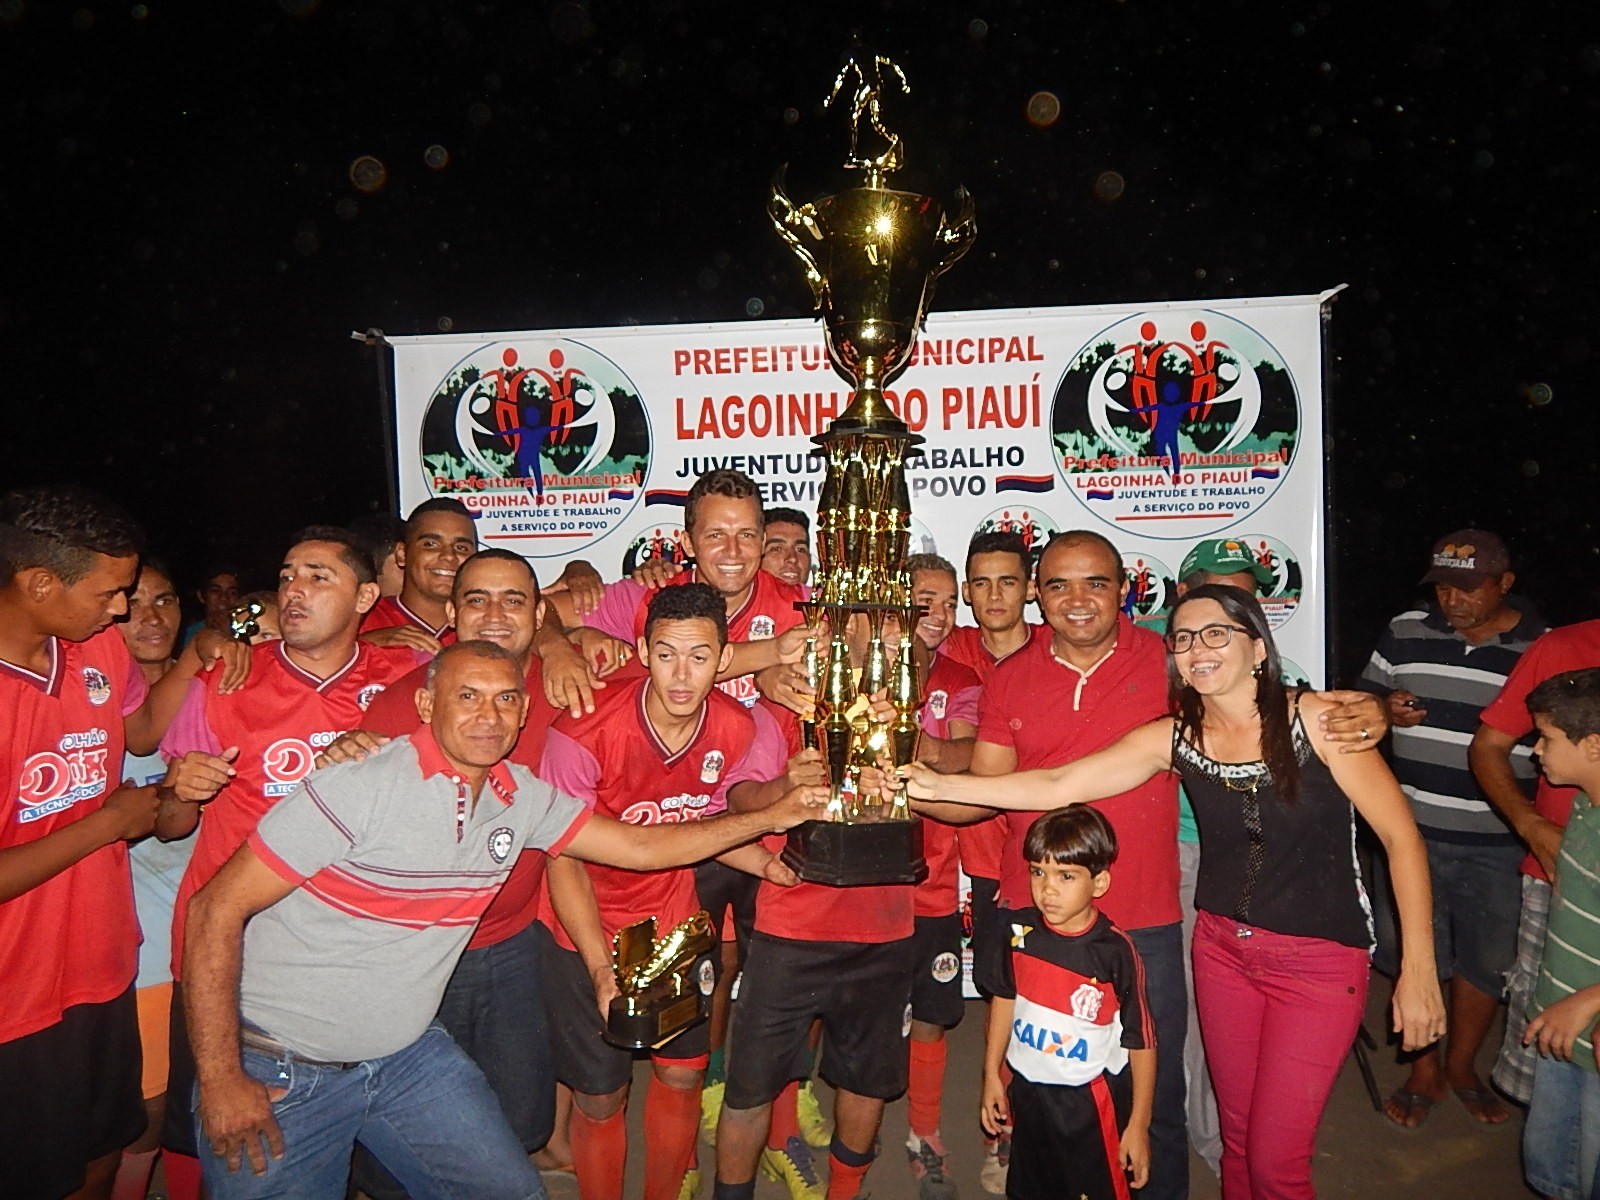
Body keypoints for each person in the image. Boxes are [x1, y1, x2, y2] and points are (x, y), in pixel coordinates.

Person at [181, 640, 827, 1200]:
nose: (488, 716)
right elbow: (214, 909)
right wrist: (221, 1079)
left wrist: (769, 819)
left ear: (523, 712)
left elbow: (639, 847)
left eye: (505, 700)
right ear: (429, 706)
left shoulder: (521, 796)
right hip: (283, 1066)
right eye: (468, 696)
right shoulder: (358, 785)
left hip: (403, 1056)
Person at [907, 583, 1447, 1200]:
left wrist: (1418, 970)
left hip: (1320, 961)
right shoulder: (1176, 735)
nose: (1198, 649)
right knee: (1237, 1141)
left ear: (1259, 649)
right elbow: (1056, 784)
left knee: (1277, 1164)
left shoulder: (1320, 721)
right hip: (1222, 952)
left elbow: (1403, 840)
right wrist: (925, 784)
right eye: (1184, 639)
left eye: (1217, 632)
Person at [154, 525, 420, 1191]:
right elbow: (169, 822)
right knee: (217, 1139)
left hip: (353, 949)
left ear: (366, 597)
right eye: (287, 575)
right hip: (232, 954)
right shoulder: (225, 680)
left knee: (356, 1144)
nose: (294, 589)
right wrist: (180, 791)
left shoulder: (407, 679)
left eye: (318, 577)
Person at [313, 548, 583, 1195]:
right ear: (453, 613)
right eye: (478, 600)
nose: (495, 614)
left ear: (539, 613)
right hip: (418, 953)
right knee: (402, 1137)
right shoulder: (403, 706)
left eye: (514, 600)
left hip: (515, 943)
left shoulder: (571, 686)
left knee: (521, 1116)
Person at [0, 486, 241, 1200]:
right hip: (16, 994)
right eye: (111, 593)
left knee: (103, 1152)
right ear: (39, 582)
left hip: (104, 962)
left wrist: (200, 655)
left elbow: (138, 734)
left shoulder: (93, 646)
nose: (122, 610)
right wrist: (108, 824)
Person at [539, 583, 804, 1200]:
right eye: (666, 655)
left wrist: (768, 868)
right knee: (602, 1097)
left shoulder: (738, 728)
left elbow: (704, 829)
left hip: (673, 924)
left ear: (724, 658)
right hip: (583, 925)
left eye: (700, 657)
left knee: (682, 1078)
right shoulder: (580, 731)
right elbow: (562, 862)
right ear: (641, 650)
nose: (682, 675)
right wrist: (602, 971)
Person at [1358, 529, 1544, 1127]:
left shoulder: (1538, 648)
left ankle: (1462, 1064)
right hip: (1410, 833)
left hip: (1498, 841)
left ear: (1505, 583)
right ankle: (1425, 1067)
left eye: (1467, 588)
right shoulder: (1406, 630)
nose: (1451, 601)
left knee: (1487, 962)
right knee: (1409, 951)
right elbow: (1361, 702)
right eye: (1442, 587)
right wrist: (1383, 711)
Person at [1168, 536, 1277, 1173]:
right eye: (1226, 593)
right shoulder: (1166, 662)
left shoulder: (1263, 663)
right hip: (1187, 851)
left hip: (1264, 856)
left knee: (1258, 1009)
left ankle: (1251, 1132)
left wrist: (1365, 710)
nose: (1243, 605)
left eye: (1248, 593)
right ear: (1185, 596)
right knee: (1201, 1004)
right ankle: (1213, 1140)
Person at [984, 806, 1153, 1200]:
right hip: (1028, 1094)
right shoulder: (1018, 932)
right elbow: (1004, 1001)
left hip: (1089, 1106)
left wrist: (1138, 1125)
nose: (1048, 889)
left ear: (1099, 882)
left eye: (1066, 876)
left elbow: (1141, 1041)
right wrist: (992, 1073)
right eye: (1037, 873)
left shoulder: (1115, 952)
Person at [1471, 615, 1600, 1105]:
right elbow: (1489, 745)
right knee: (1549, 1047)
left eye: (1544, 742)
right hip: (1557, 873)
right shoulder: (1564, 646)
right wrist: (1531, 826)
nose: (1535, 751)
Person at [894, 554, 980, 1200]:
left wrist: (900, 745)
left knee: (932, 1011)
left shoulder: (959, 674)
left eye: (949, 602)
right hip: (861, 884)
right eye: (926, 599)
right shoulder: (860, 663)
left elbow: (963, 755)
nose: (940, 613)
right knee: (840, 1015)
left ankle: (925, 1134)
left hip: (931, 882)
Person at [114, 559, 198, 1200]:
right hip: (136, 938)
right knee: (148, 1102)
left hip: (209, 926)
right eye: (134, 602)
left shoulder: (213, 688)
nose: (151, 617)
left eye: (165, 601)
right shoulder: (92, 707)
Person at [1519, 668, 1600, 1200]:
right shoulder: (1585, 807)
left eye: (1546, 738)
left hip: (1590, 1033)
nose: (1533, 751)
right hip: (1564, 1028)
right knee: (1553, 1170)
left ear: (1592, 745)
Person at [361, 498, 478, 652]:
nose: (449, 556)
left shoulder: (486, 624)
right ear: (402, 554)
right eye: (431, 544)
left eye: (461, 547)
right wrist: (361, 645)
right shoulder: (360, 620)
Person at [183, 563, 242, 645]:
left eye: (232, 593)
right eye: (216, 591)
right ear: (201, 596)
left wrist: (229, 635)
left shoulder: (248, 632)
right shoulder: (188, 635)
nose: (224, 598)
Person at [761, 507, 813, 590]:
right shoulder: (738, 602)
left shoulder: (824, 601)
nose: (792, 558)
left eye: (800, 549)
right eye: (777, 549)